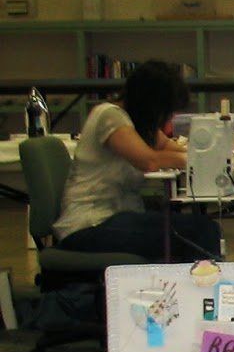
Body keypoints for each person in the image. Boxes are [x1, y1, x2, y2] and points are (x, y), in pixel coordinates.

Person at [52, 59, 221, 262]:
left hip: (118, 217)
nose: (169, 118)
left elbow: (170, 147)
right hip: (90, 224)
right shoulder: (109, 116)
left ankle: (195, 279)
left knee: (203, 229)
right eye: (167, 111)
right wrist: (196, 161)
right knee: (201, 232)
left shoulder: (137, 122)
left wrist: (207, 155)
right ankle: (203, 280)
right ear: (151, 103)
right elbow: (149, 161)